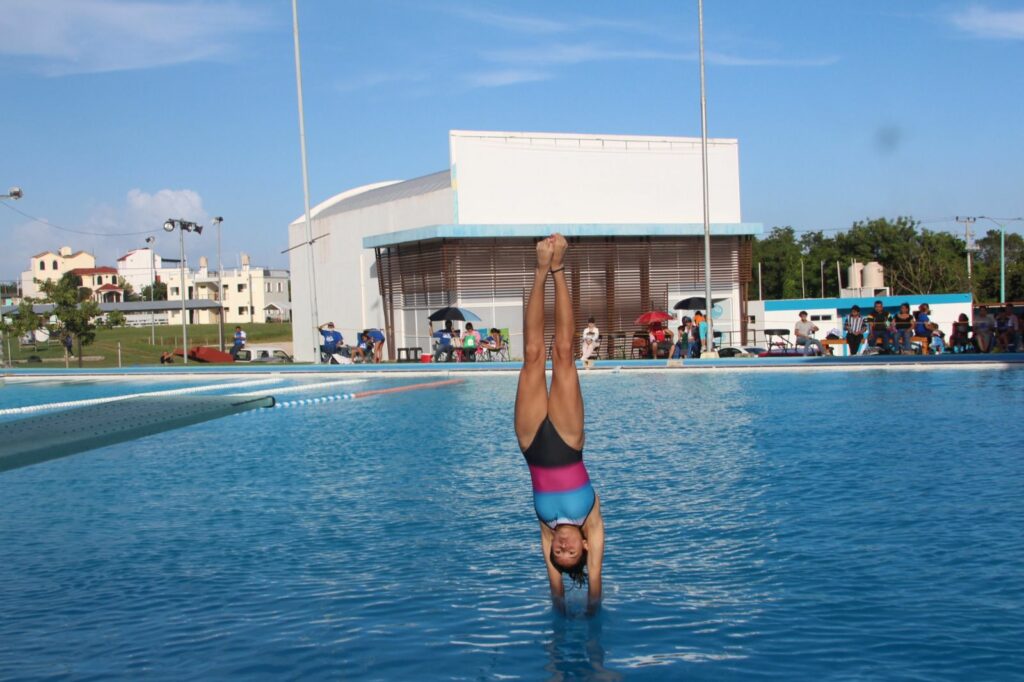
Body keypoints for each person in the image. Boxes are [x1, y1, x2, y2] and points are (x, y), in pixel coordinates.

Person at [515, 234, 604, 613]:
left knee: (533, 355)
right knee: (564, 354)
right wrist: (592, 632)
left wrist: (559, 615)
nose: (562, 548)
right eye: (571, 552)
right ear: (584, 546)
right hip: (568, 441)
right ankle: (558, 269)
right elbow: (594, 588)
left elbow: (556, 590)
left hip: (531, 442)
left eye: (558, 553)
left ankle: (539, 272)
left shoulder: (546, 528)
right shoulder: (591, 524)